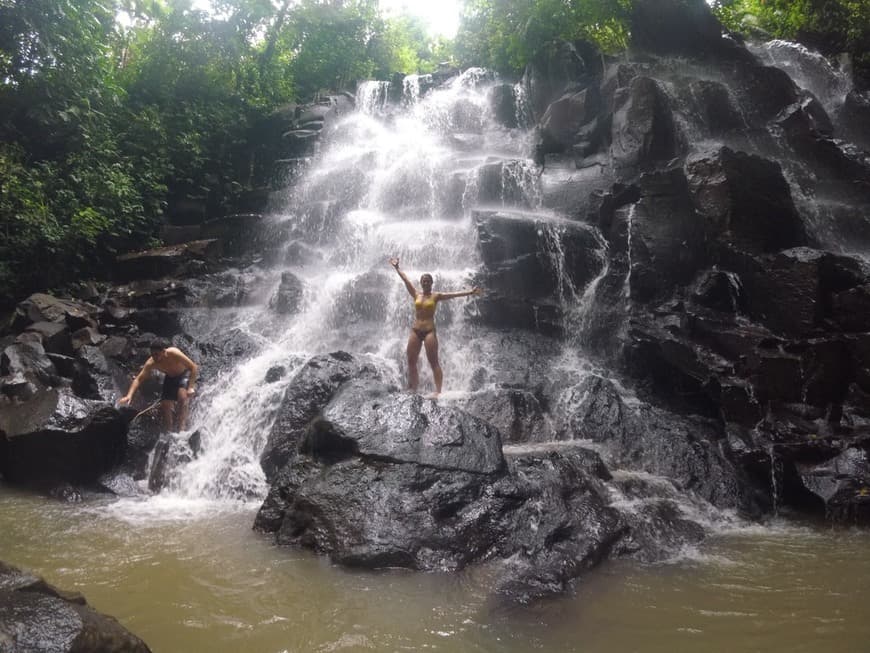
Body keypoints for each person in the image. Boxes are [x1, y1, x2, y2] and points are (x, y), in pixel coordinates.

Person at [389, 257, 482, 396]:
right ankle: (413, 389)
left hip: (429, 332)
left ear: (432, 283)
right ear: (421, 283)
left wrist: (470, 292)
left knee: (434, 362)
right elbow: (406, 280)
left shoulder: (436, 296)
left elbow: (453, 295)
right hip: (415, 330)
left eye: (428, 281)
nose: (425, 283)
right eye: (423, 281)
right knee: (411, 361)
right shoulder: (416, 294)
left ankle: (438, 392)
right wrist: (397, 268)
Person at [119, 338, 199, 432]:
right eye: (153, 355)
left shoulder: (174, 353)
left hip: (183, 374)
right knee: (165, 404)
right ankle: (169, 432)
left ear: (164, 351)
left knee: (182, 397)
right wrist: (129, 395)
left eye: (157, 354)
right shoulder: (151, 362)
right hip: (170, 378)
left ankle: (182, 430)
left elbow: (193, 367)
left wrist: (190, 387)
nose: (155, 357)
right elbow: (139, 379)